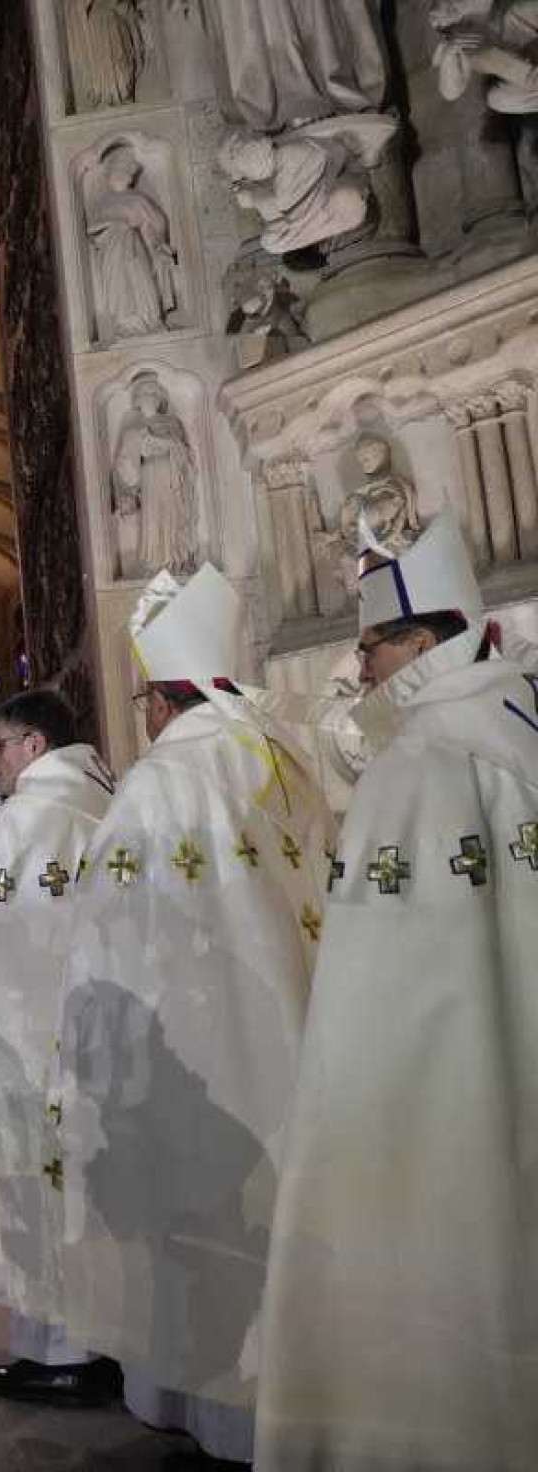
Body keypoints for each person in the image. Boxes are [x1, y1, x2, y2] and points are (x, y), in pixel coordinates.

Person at [256, 514, 538, 1470]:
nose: (359, 664)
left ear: (421, 643)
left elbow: (380, 1021)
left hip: (443, 1121)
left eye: (370, 642)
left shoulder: (418, 768)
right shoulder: (519, 724)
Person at [51, 567, 335, 1463]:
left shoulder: (163, 782)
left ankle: (209, 1407)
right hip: (293, 1033)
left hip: (192, 1050)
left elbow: (114, 939)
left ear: (164, 701)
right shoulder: (280, 756)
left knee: (201, 1233)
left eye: (142, 697)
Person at [0, 689, 120, 1409]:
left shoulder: (32, 823)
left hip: (29, 1053)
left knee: (43, 1196)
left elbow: (12, 957)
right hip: (87, 1051)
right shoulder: (103, 804)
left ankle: (68, 1353)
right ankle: (77, 1344)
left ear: (34, 745)